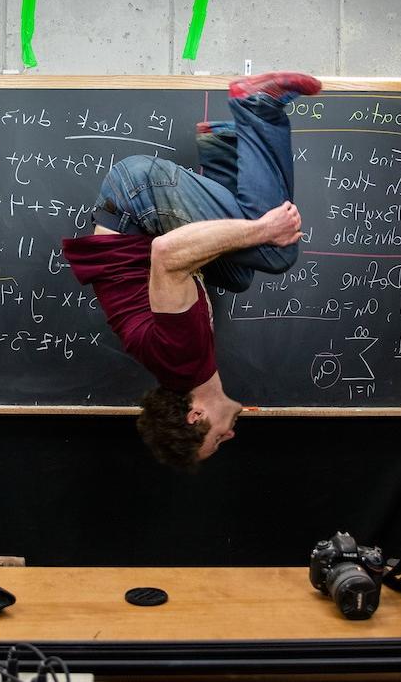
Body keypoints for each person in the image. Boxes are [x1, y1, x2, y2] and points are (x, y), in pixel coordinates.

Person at [62, 71, 322, 469]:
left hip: (136, 199)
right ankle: (223, 145)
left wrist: (264, 229)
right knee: (238, 275)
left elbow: (167, 254)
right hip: (137, 217)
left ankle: (258, 105)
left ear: (195, 416)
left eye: (218, 437)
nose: (230, 433)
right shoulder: (185, 369)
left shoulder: (182, 357)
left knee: (273, 252)